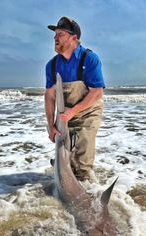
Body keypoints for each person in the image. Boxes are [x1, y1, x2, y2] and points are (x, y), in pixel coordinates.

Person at [45, 16, 105, 181]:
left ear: (74, 38)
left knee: (81, 164)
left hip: (87, 112)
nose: (55, 38)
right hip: (65, 115)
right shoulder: (51, 65)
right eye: (55, 34)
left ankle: (86, 192)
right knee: (63, 161)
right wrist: (51, 125)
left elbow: (97, 93)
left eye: (61, 34)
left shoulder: (89, 59)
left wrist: (74, 111)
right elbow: (50, 96)